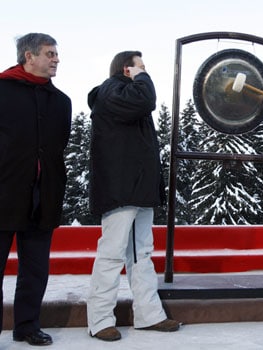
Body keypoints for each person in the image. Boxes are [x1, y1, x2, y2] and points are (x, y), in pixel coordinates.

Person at [86, 51, 180, 341]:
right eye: (141, 65)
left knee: (142, 255)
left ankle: (148, 315)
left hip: (139, 189)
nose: (145, 70)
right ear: (127, 69)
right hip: (119, 188)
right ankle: (99, 320)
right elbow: (145, 100)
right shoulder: (110, 90)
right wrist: (141, 76)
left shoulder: (125, 93)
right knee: (112, 254)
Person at [0, 33, 72, 346]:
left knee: (35, 269)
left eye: (56, 54)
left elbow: (58, 148)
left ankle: (27, 326)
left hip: (43, 197)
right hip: (3, 194)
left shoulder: (61, 102)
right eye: (49, 53)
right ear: (29, 57)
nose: (56, 59)